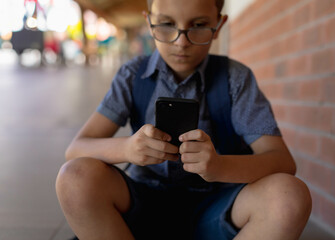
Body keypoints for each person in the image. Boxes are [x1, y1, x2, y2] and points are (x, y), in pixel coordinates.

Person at [56, 0, 312, 239]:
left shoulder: (235, 79)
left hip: (218, 206)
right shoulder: (133, 75)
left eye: (199, 25)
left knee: (289, 196)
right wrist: (127, 148)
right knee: (75, 177)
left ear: (218, 26)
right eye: (167, 24)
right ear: (149, 23)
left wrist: (219, 167)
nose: (181, 42)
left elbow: (282, 161)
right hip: (143, 203)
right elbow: (76, 150)